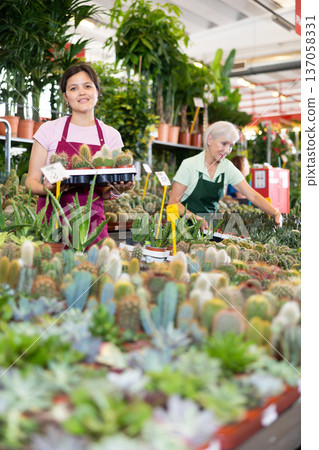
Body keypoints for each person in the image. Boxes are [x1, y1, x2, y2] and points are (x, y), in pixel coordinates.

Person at [25, 63, 134, 242]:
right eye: (73, 88)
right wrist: (49, 189)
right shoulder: (49, 130)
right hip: (51, 225)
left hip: (92, 225)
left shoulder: (111, 135)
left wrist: (117, 190)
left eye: (87, 86)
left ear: (97, 92)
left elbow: (105, 191)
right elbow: (30, 182)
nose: (82, 92)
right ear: (66, 97)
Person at [168, 121, 282, 230]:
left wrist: (275, 213)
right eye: (224, 143)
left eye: (231, 146)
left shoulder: (227, 167)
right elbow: (173, 203)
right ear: (210, 139)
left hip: (209, 229)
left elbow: (253, 196)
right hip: (182, 230)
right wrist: (195, 218)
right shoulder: (190, 165)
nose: (227, 150)